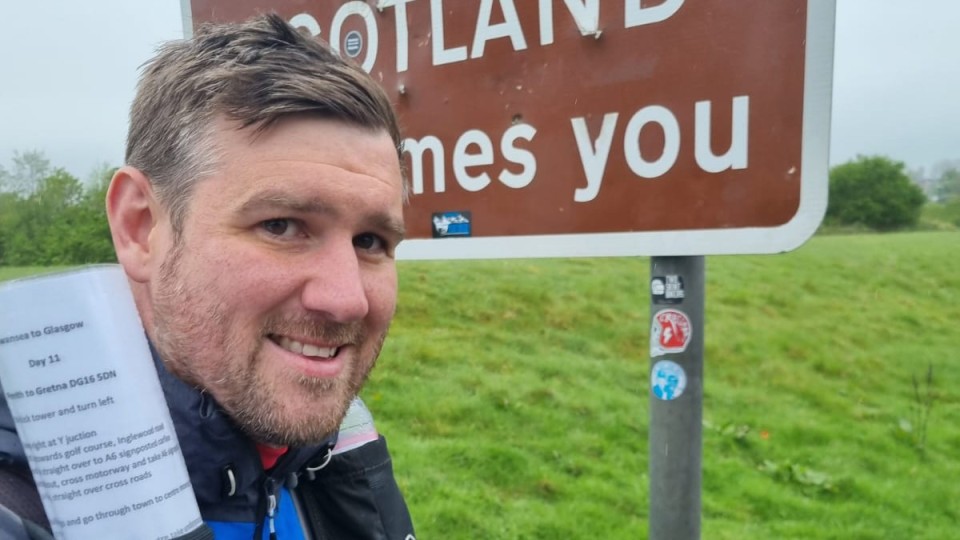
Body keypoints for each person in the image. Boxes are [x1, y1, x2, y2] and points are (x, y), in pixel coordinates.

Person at [0, 13, 416, 539]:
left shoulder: (323, 447)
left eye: (370, 242)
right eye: (282, 226)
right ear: (140, 226)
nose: (347, 299)